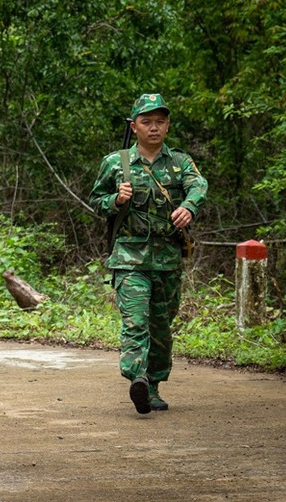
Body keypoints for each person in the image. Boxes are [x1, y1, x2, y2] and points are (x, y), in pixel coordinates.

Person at [88, 93, 208, 414]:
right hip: (129, 257)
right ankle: (137, 376)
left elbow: (199, 185)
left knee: (161, 327)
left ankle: (152, 386)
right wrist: (116, 200)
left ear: (167, 126)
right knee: (136, 321)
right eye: (146, 122)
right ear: (134, 126)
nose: (153, 127)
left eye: (160, 121)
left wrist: (189, 206)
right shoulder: (116, 163)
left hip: (167, 259)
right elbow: (96, 201)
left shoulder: (180, 162)